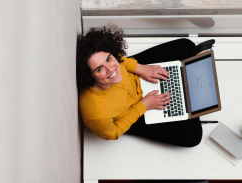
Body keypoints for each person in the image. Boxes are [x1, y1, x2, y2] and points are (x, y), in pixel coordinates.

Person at [77, 25, 212, 147]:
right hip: (134, 111)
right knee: (193, 137)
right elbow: (113, 132)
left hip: (136, 76)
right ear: (89, 76)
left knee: (186, 45)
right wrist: (143, 106)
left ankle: (183, 83)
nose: (110, 69)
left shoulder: (113, 62)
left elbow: (119, 59)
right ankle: (186, 95)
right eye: (99, 69)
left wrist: (141, 68)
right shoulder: (97, 116)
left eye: (108, 58)